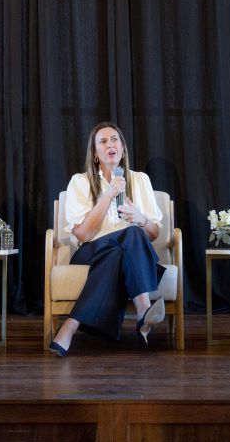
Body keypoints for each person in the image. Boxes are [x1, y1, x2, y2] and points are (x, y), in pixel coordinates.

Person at [48, 121, 166, 356]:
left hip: (123, 254)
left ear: (122, 149)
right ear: (94, 154)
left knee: (126, 242)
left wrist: (141, 219)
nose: (110, 144)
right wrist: (107, 195)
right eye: (103, 141)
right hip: (90, 251)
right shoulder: (79, 182)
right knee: (128, 237)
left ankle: (70, 328)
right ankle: (144, 308)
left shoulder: (140, 180)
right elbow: (83, 234)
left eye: (114, 140)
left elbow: (153, 234)